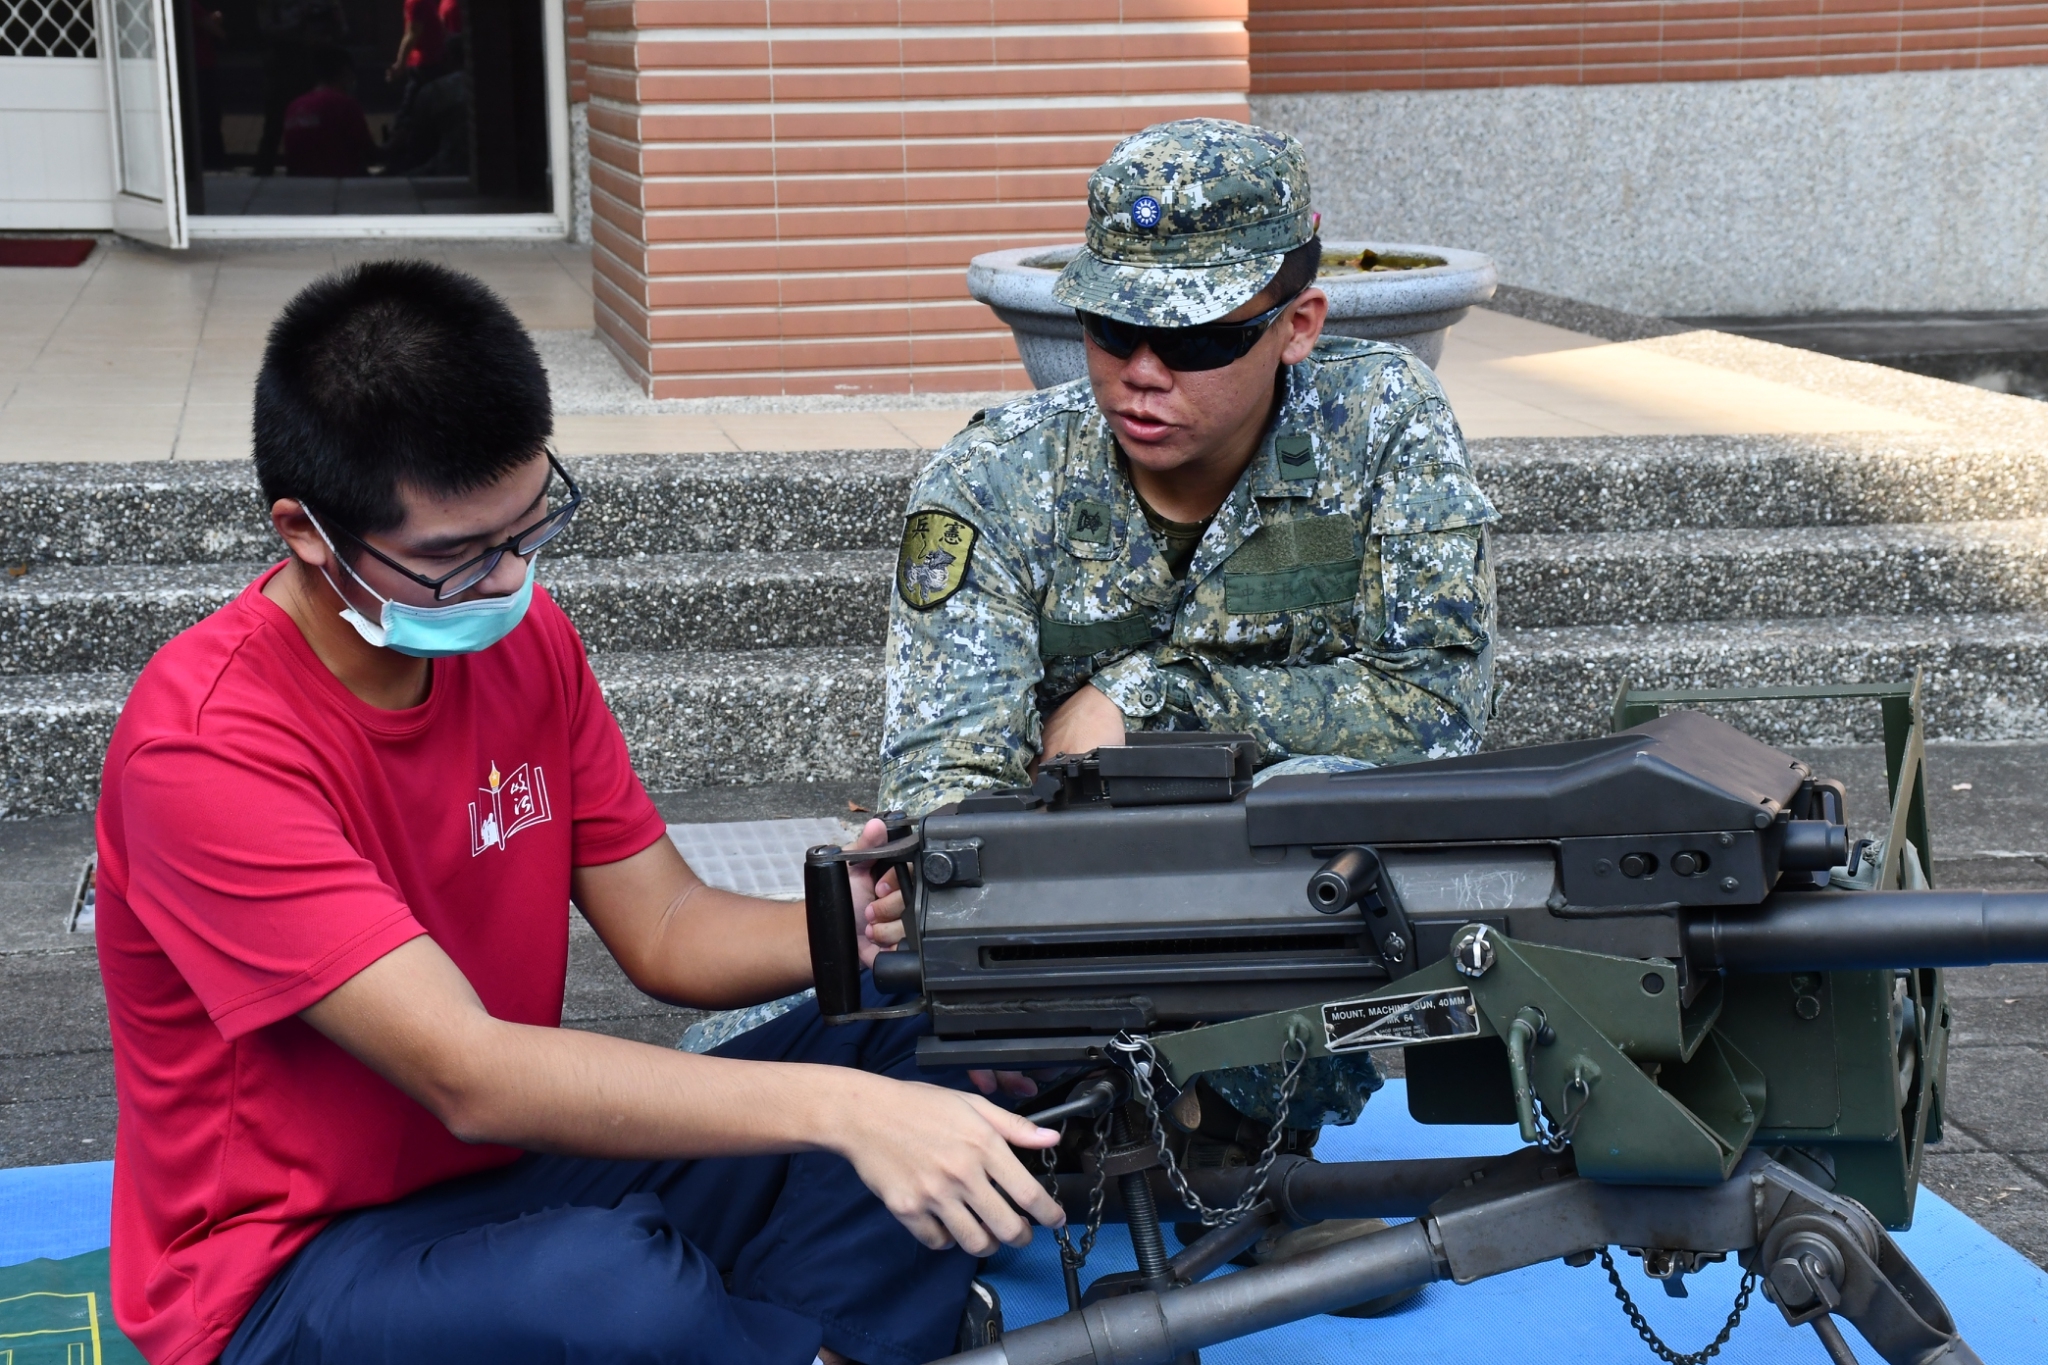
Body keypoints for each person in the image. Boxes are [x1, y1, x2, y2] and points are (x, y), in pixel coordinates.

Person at [95, 260, 1062, 1365]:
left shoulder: (520, 638)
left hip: (515, 1175)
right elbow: (471, 1075)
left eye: (527, 529)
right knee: (611, 1286)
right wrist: (843, 1112)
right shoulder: (206, 747)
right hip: (287, 1268)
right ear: (307, 531)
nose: (508, 579)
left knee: (922, 1030)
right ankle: (792, 1329)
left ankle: (803, 1343)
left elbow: (665, 928)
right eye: (454, 559)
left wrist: (849, 922)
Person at [878, 118, 1499, 818]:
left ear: (1297, 326)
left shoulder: (1379, 419)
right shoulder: (992, 480)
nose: (1142, 373)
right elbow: (943, 785)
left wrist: (1143, 696)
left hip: (1308, 863)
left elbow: (1436, 708)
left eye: (1194, 338)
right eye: (1112, 328)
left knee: (1314, 796)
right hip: (1075, 865)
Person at [281, 45, 372, 177]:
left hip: (299, 181)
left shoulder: (294, 106)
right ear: (345, 72)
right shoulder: (345, 105)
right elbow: (370, 152)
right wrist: (396, 142)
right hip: (338, 179)